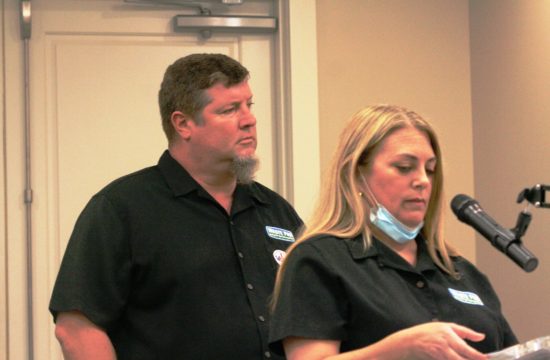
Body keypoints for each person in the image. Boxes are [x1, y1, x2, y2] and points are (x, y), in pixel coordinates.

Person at [49, 53, 302, 359]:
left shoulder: (276, 210)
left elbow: (312, 316)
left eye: (249, 105)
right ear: (183, 124)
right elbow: (76, 328)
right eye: (229, 109)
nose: (249, 119)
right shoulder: (121, 209)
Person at [269, 104, 517, 359]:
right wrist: (401, 349)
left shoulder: (462, 272)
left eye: (430, 170)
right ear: (356, 175)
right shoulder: (319, 260)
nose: (422, 180)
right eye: (404, 167)